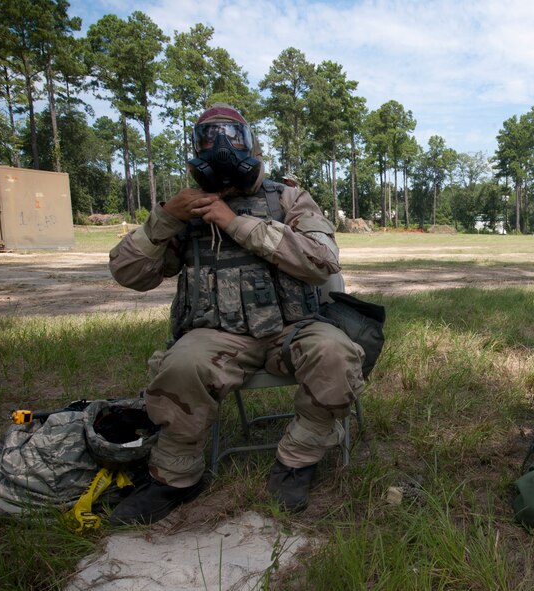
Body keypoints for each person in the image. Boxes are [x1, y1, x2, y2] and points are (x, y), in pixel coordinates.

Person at [108, 103, 365, 524]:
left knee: (337, 354)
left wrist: (234, 223)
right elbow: (128, 273)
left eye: (231, 136)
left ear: (251, 144)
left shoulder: (288, 198)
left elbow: (322, 260)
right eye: (208, 138)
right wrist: (163, 220)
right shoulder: (185, 212)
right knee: (181, 364)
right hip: (219, 336)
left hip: (294, 329)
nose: (221, 147)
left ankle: (297, 461)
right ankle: (175, 478)